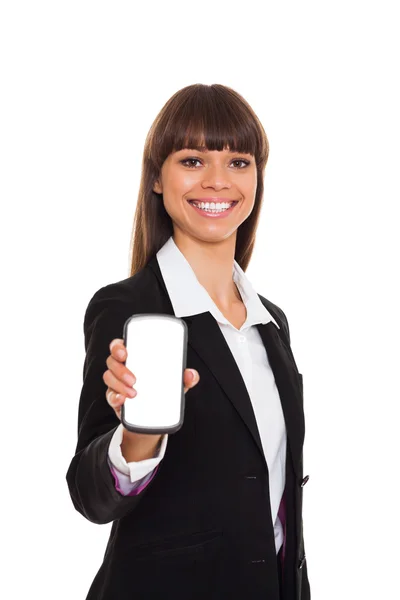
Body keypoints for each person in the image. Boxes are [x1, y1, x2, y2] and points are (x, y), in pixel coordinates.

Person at [66, 83, 311, 600]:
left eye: (239, 162)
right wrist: (138, 436)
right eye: (193, 160)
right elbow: (91, 498)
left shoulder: (273, 325)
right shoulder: (126, 309)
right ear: (158, 177)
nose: (219, 181)